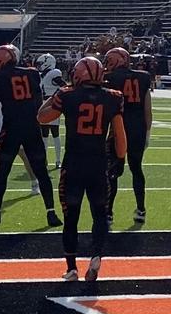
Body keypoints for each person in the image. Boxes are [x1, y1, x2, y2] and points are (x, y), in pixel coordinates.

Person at [39, 55, 127, 282]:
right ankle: (96, 255)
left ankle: (71, 269)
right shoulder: (113, 97)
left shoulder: (68, 95)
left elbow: (42, 117)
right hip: (98, 165)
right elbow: (119, 134)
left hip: (74, 164)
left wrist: (55, 95)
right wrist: (120, 159)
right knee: (100, 214)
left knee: (71, 218)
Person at [0, 44, 59, 228]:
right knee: (42, 172)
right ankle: (51, 213)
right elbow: (38, 100)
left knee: (3, 172)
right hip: (31, 128)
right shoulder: (32, 73)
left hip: (11, 129)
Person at [102, 47, 154, 225]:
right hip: (138, 129)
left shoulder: (111, 79)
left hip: (118, 129)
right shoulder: (143, 77)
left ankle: (108, 212)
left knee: (113, 172)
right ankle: (141, 209)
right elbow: (147, 108)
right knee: (136, 169)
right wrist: (148, 132)